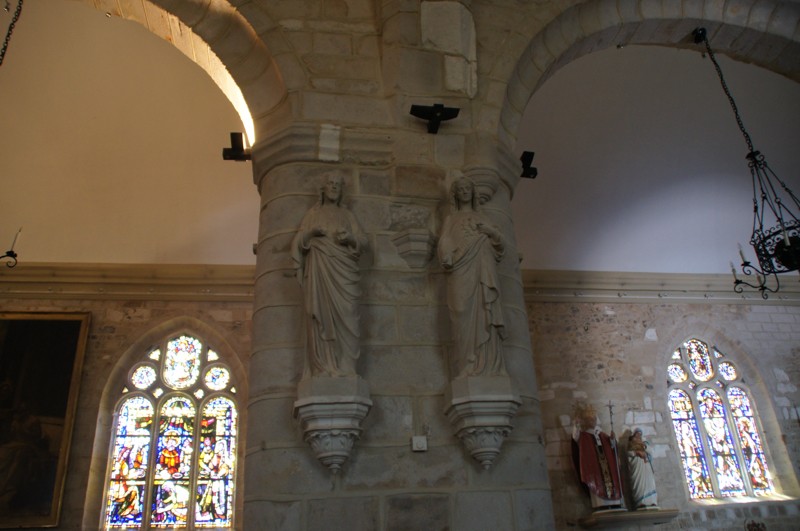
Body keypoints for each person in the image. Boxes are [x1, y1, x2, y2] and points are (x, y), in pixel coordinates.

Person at [291, 175, 367, 377]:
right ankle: (324, 366)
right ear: (323, 189)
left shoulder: (347, 215)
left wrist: (350, 239)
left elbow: (363, 241)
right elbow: (298, 242)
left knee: (348, 314)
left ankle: (347, 368)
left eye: (337, 185)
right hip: (320, 271)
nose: (334, 187)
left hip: (344, 273)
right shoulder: (313, 214)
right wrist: (312, 233)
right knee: (320, 315)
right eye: (330, 184)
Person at [437, 177, 507, 377]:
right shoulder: (451, 219)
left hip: (483, 267)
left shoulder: (483, 217)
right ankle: (465, 363)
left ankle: (488, 365)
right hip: (460, 268)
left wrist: (490, 231)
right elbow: (444, 241)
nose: (465, 191)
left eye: (468, 187)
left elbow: (501, 245)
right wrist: (447, 255)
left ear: (473, 191)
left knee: (485, 309)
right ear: (456, 194)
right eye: (461, 189)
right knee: (460, 310)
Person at [572, 403, 623, 511]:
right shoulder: (583, 435)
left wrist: (612, 440)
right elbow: (575, 437)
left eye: (594, 419)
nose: (592, 421)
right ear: (586, 421)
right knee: (597, 482)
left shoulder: (602, 435)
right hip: (595, 468)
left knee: (611, 481)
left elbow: (612, 448)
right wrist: (576, 424)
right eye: (590, 420)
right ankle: (601, 505)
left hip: (607, 465)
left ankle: (614, 504)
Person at [627, 428, 658, 509]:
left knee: (649, 483)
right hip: (637, 466)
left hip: (646, 466)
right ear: (634, 435)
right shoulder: (631, 444)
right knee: (639, 483)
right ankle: (640, 502)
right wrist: (636, 453)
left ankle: (652, 501)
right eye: (637, 434)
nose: (638, 436)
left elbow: (651, 452)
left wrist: (644, 449)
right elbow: (628, 454)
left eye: (640, 435)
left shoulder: (645, 444)